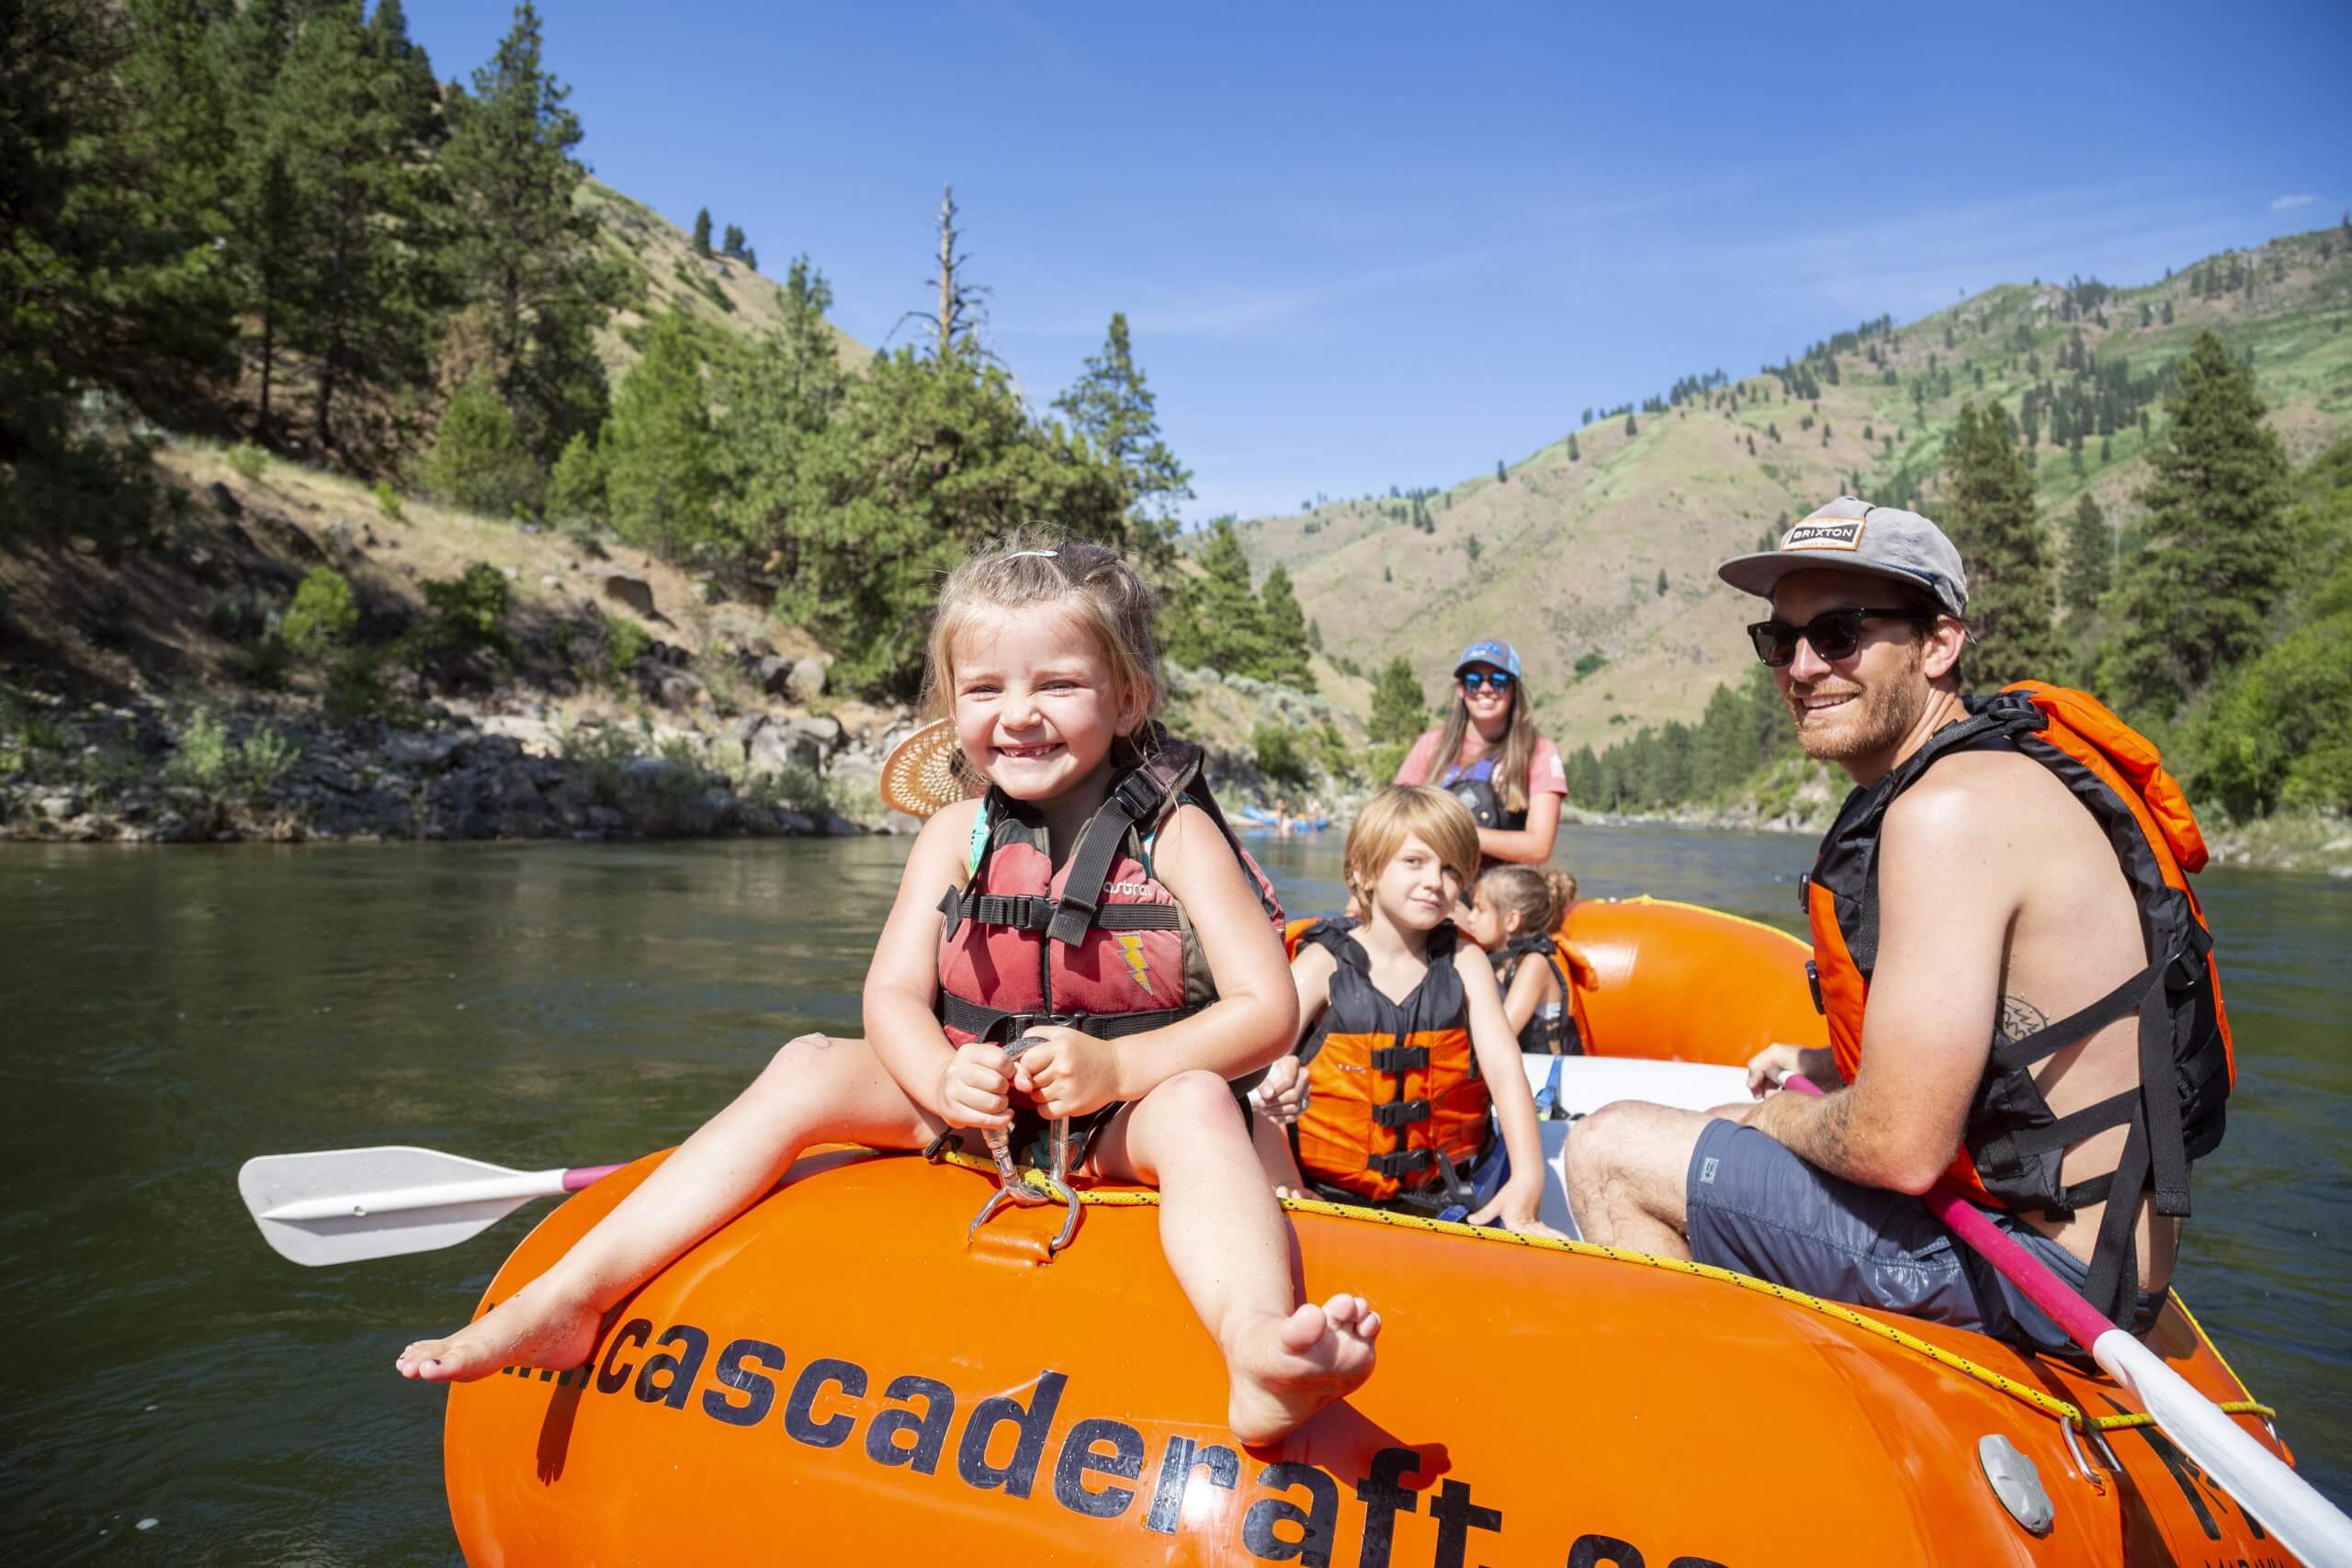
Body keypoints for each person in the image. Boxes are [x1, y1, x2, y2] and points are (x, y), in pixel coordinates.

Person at [396, 535, 1380, 1444]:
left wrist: (1126, 1062)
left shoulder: (1178, 836)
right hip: (971, 1109)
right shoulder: (952, 836)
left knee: (1202, 1103)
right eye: (985, 686)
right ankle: (571, 1296)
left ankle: (1255, 1346)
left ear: (1126, 700)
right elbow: (893, 998)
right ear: (952, 706)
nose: (1019, 711)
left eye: (1060, 682)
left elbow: (1265, 1009)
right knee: (808, 1063)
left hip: (1124, 1119)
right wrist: (940, 1077)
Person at [1565, 497, 2233, 1351]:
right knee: (1729, 1128)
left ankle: (1701, 1438)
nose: (1803, 667)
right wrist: (1815, 1065)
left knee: (1609, 1150)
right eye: (1781, 640)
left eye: (1839, 633)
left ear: (1941, 643)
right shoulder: (1999, 774)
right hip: (2093, 1250)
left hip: (2049, 1277)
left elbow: (1899, 1148)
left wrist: (1771, 1121)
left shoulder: (1945, 812)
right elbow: (2001, 1055)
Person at [1250, 786, 1555, 1233]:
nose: (1435, 879)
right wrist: (1284, 1181)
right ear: (1364, 870)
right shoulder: (1320, 964)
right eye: (1414, 861)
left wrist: (1529, 1178)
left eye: (1451, 868)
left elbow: (1506, 1070)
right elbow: (1256, 1083)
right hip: (1327, 1197)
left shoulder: (1466, 962)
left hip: (1446, 1200)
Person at [1393, 638, 1566, 871]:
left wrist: (1457, 832)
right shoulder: (1430, 745)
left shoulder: (1540, 752)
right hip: (1435, 876)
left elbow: (1539, 847)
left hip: (1501, 890)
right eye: (1473, 681)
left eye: (1498, 681)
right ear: (1461, 690)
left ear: (1514, 689)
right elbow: (1392, 817)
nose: (1485, 689)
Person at [1466, 863, 1581, 1055]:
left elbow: (1501, 1036)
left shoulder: (1534, 964)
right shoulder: (1491, 959)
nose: (1470, 917)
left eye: (1480, 909)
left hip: (1545, 1076)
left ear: (1512, 920)